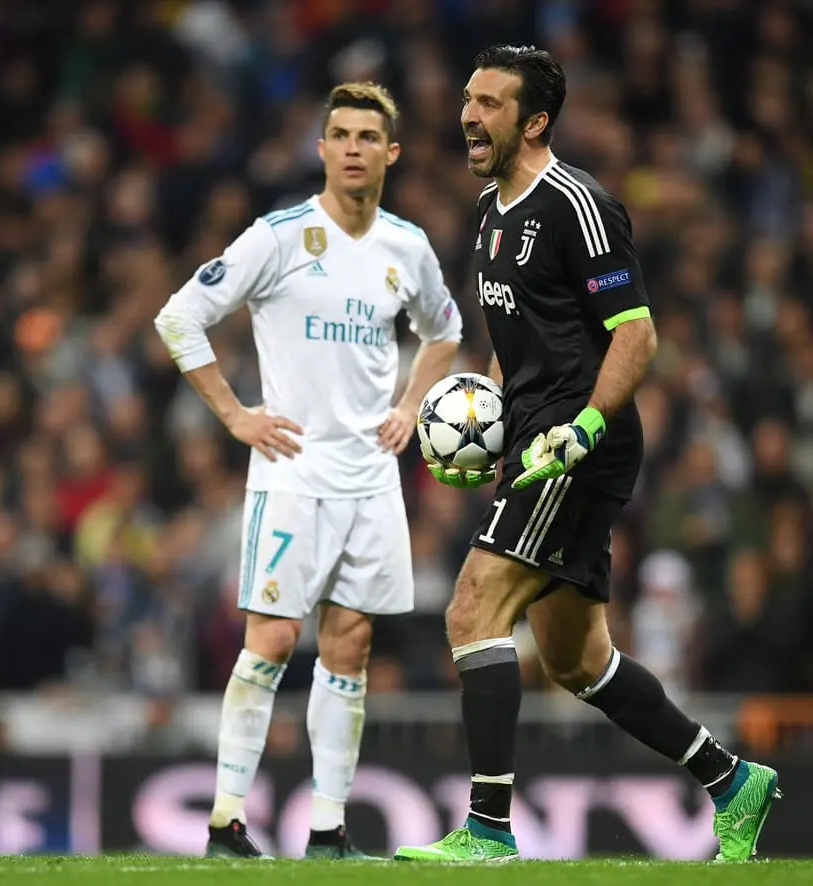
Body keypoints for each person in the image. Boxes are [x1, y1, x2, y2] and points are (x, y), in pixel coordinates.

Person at [395, 45, 779, 864]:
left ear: (534, 121)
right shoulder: (493, 211)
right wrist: (483, 416)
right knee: (577, 660)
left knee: (472, 609)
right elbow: (514, 341)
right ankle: (730, 778)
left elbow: (635, 335)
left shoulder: (580, 204)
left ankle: (489, 830)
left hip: (574, 442)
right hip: (532, 437)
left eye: (489, 103)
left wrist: (586, 428)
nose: (468, 113)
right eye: (468, 98)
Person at [154, 82, 462, 860]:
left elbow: (445, 330)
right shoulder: (279, 235)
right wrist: (235, 416)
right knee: (272, 638)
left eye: (368, 136)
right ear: (320, 149)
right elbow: (178, 316)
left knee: (351, 645)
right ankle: (227, 821)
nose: (353, 147)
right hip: (291, 470)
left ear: (391, 153)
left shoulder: (407, 246)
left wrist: (410, 404)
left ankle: (328, 830)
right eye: (340, 135)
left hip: (371, 476)